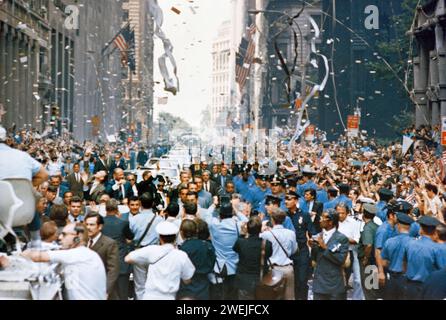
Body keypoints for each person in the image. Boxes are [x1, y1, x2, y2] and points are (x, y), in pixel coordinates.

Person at [21, 223, 107, 300]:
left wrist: (18, 255)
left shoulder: (79, 254)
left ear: (77, 237)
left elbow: (36, 256)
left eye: (64, 235)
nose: (60, 237)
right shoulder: (86, 255)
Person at [0, 125, 49, 246]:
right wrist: (26, 187)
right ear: (7, 140)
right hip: (24, 212)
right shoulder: (22, 156)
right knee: (34, 196)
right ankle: (36, 242)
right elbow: (44, 174)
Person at [125, 221, 196, 300]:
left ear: (160, 237)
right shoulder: (181, 255)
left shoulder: (151, 250)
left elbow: (128, 258)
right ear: (175, 237)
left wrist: (145, 261)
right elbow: (187, 279)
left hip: (149, 296)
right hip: (169, 296)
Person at [128, 192, 164, 299]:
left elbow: (130, 237)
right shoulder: (159, 220)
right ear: (153, 203)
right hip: (154, 253)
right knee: (154, 283)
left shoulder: (134, 219)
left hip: (139, 252)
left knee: (140, 285)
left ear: (140, 204)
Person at [310, 209, 349, 300]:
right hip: (319, 283)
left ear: (331, 222)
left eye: (323, 218)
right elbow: (314, 259)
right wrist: (312, 247)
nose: (320, 220)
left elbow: (340, 260)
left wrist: (325, 248)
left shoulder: (341, 238)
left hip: (334, 284)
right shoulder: (317, 236)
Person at [260, 208, 297, 300]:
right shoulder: (291, 233)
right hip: (288, 268)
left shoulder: (266, 234)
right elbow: (294, 250)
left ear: (272, 219)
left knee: (272, 297)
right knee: (289, 297)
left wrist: (262, 229)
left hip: (273, 269)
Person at [403, 215, 444, 300]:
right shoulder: (437, 248)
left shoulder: (410, 244)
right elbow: (442, 271)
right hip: (429, 287)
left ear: (420, 230)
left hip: (410, 286)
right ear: (435, 231)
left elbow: (404, 265)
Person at [285, 191, 316, 300]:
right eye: (286, 199)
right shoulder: (283, 215)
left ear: (296, 201)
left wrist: (313, 241)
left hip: (301, 250)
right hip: (288, 252)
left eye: (289, 199)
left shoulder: (304, 215)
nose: (286, 201)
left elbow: (312, 232)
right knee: (289, 281)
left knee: (302, 280)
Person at [102, 199, 134, 300]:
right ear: (117, 209)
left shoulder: (100, 222)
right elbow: (130, 236)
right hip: (120, 263)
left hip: (105, 263)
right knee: (122, 294)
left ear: (106, 209)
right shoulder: (123, 223)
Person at [234, 216, 273, 300]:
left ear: (247, 229)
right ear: (260, 229)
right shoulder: (267, 244)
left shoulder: (240, 242)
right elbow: (269, 255)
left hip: (244, 281)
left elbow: (235, 249)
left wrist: (242, 234)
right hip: (261, 280)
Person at [177, 219, 216, 300]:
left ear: (181, 233)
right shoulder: (208, 246)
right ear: (196, 231)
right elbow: (212, 263)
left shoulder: (183, 249)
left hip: (187, 286)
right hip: (204, 284)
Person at [84, 212, 120, 300]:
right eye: (86, 224)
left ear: (100, 226)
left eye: (92, 225)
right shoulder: (82, 242)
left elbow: (113, 270)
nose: (88, 227)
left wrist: (106, 291)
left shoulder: (109, 243)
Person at [380, 213, 414, 300]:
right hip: (407, 279)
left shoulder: (389, 241)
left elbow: (384, 262)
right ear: (410, 227)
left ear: (398, 225)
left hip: (392, 278)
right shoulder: (414, 243)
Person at [336, 202, 363, 300]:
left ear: (347, 213)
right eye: (338, 213)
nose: (340, 215)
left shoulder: (353, 223)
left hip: (350, 253)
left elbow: (356, 240)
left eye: (342, 213)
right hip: (335, 254)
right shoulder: (333, 222)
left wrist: (342, 238)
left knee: (356, 280)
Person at [358, 203, 380, 300]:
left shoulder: (367, 228)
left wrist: (365, 259)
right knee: (372, 286)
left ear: (363, 214)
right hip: (374, 260)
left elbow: (368, 245)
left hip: (368, 261)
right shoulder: (375, 226)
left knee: (368, 287)